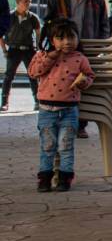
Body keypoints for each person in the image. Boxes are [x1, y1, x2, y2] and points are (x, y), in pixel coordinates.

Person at [44, 0, 108, 138]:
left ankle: (80, 125)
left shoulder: (97, 0)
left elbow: (104, 26)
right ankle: (59, 122)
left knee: (82, 84)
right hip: (63, 48)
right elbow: (48, 23)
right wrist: (55, 43)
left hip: (88, 49)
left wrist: (99, 47)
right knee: (62, 84)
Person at [29, 19, 94, 192]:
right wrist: (50, 57)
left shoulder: (80, 58)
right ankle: (44, 178)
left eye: (71, 37)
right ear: (52, 41)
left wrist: (84, 83)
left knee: (66, 146)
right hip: (46, 111)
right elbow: (34, 72)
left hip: (69, 110)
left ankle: (65, 178)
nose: (67, 42)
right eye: (61, 38)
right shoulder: (43, 55)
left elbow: (89, 76)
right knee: (48, 146)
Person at [1, 0, 41, 111]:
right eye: (25, 2)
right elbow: (1, 35)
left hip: (29, 50)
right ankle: (4, 103)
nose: (28, 4)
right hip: (14, 50)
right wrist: (4, 50)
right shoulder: (8, 17)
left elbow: (39, 33)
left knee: (33, 75)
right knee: (8, 76)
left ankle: (37, 101)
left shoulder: (33, 17)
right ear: (18, 2)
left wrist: (38, 49)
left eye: (29, 1)